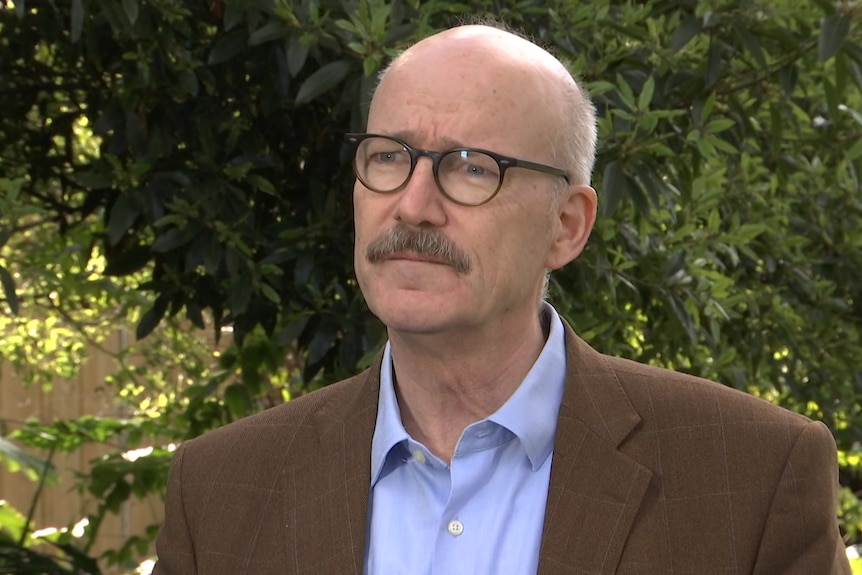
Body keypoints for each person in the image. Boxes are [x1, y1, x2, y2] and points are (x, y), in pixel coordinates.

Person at [152, 23, 852, 575]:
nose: (413, 205)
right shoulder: (221, 489)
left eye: (471, 167)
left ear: (567, 225)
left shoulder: (751, 476)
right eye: (389, 157)